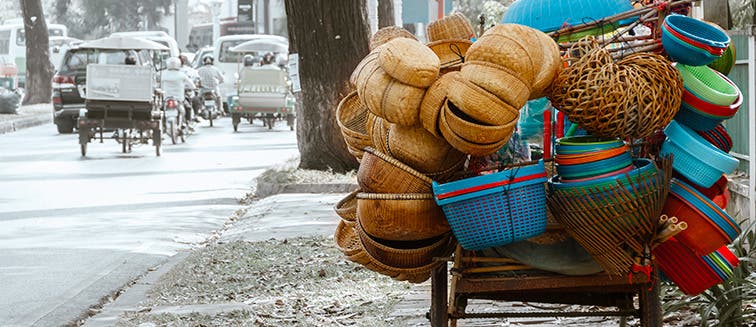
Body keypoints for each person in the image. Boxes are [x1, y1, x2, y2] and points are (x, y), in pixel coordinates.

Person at [160, 57, 195, 129]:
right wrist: (193, 88)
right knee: (188, 107)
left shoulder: (163, 74)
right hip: (179, 99)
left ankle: (162, 126)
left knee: (160, 111)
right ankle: (188, 122)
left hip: (166, 98)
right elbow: (191, 85)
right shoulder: (182, 75)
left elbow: (158, 83)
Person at [179, 55, 201, 121]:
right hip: (182, 92)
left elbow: (196, 80)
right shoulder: (190, 70)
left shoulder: (190, 70)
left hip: (185, 91)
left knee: (195, 100)